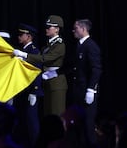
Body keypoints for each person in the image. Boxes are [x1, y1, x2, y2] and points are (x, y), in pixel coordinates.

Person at [13, 15, 67, 117]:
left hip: (56, 83)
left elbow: (44, 59)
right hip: (47, 81)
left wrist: (24, 55)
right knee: (48, 115)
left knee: (57, 114)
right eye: (46, 26)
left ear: (57, 29)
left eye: (49, 27)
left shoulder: (60, 45)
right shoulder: (48, 45)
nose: (46, 29)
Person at [69, 18, 102, 147]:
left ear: (83, 29)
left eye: (75, 28)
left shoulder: (91, 46)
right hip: (78, 92)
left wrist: (91, 89)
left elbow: (96, 69)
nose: (73, 31)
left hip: (87, 92)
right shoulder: (79, 45)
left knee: (88, 126)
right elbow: (75, 67)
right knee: (79, 126)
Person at [12, 23, 43, 148]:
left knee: (32, 122)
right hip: (22, 91)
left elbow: (37, 72)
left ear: (29, 37)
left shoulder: (34, 51)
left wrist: (34, 91)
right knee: (23, 121)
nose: (19, 37)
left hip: (31, 91)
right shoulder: (23, 50)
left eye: (21, 34)